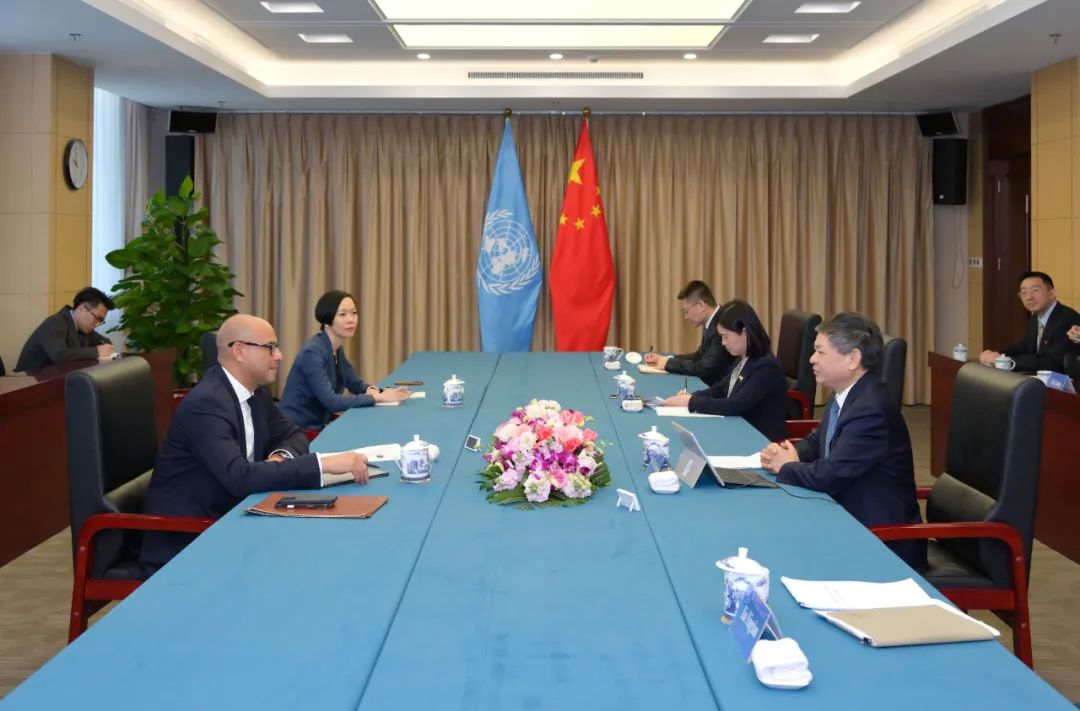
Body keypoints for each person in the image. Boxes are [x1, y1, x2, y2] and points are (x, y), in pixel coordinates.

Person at [139, 314, 371, 573]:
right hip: (189, 539)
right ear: (239, 351)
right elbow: (239, 478)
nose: (279, 356)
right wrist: (323, 464)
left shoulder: (255, 392)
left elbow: (294, 435)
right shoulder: (206, 404)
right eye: (270, 347)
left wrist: (279, 458)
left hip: (234, 515)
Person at [759, 313, 925, 569]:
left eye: (820, 352)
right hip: (850, 516)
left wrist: (787, 466)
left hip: (881, 540)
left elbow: (830, 474)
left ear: (853, 359)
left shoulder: (871, 409)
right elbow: (819, 441)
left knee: (781, 550)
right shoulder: (848, 393)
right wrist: (787, 452)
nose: (811, 359)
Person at [281, 290, 409, 430]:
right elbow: (332, 402)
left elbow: (356, 384)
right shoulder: (312, 353)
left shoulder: (336, 348)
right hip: (300, 430)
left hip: (320, 424)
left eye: (354, 313)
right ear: (326, 320)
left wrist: (381, 392)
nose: (351, 320)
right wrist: (378, 397)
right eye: (343, 314)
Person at [662, 301, 788, 442]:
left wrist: (692, 402)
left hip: (760, 441)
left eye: (726, 336)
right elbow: (722, 388)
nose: (723, 343)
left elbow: (735, 405)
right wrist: (691, 396)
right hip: (739, 430)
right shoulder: (743, 357)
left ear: (744, 332)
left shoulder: (766, 367)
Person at [978, 271, 1080, 373]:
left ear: (1052, 294)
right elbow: (1020, 348)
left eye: (1035, 290)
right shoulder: (1034, 319)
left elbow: (1052, 362)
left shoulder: (1067, 318)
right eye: (1024, 292)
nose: (1029, 297)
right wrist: (995, 355)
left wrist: (1006, 361)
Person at [644, 280, 733, 387]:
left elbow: (704, 368)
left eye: (686, 311)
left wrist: (667, 363)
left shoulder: (722, 324)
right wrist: (667, 359)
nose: (686, 317)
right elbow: (699, 356)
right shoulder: (712, 320)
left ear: (700, 305)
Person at [15, 287, 115, 372]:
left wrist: (105, 347)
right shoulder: (55, 323)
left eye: (101, 321)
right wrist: (96, 352)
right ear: (81, 309)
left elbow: (105, 341)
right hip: (27, 382)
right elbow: (60, 355)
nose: (97, 324)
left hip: (57, 379)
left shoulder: (84, 327)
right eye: (96, 318)